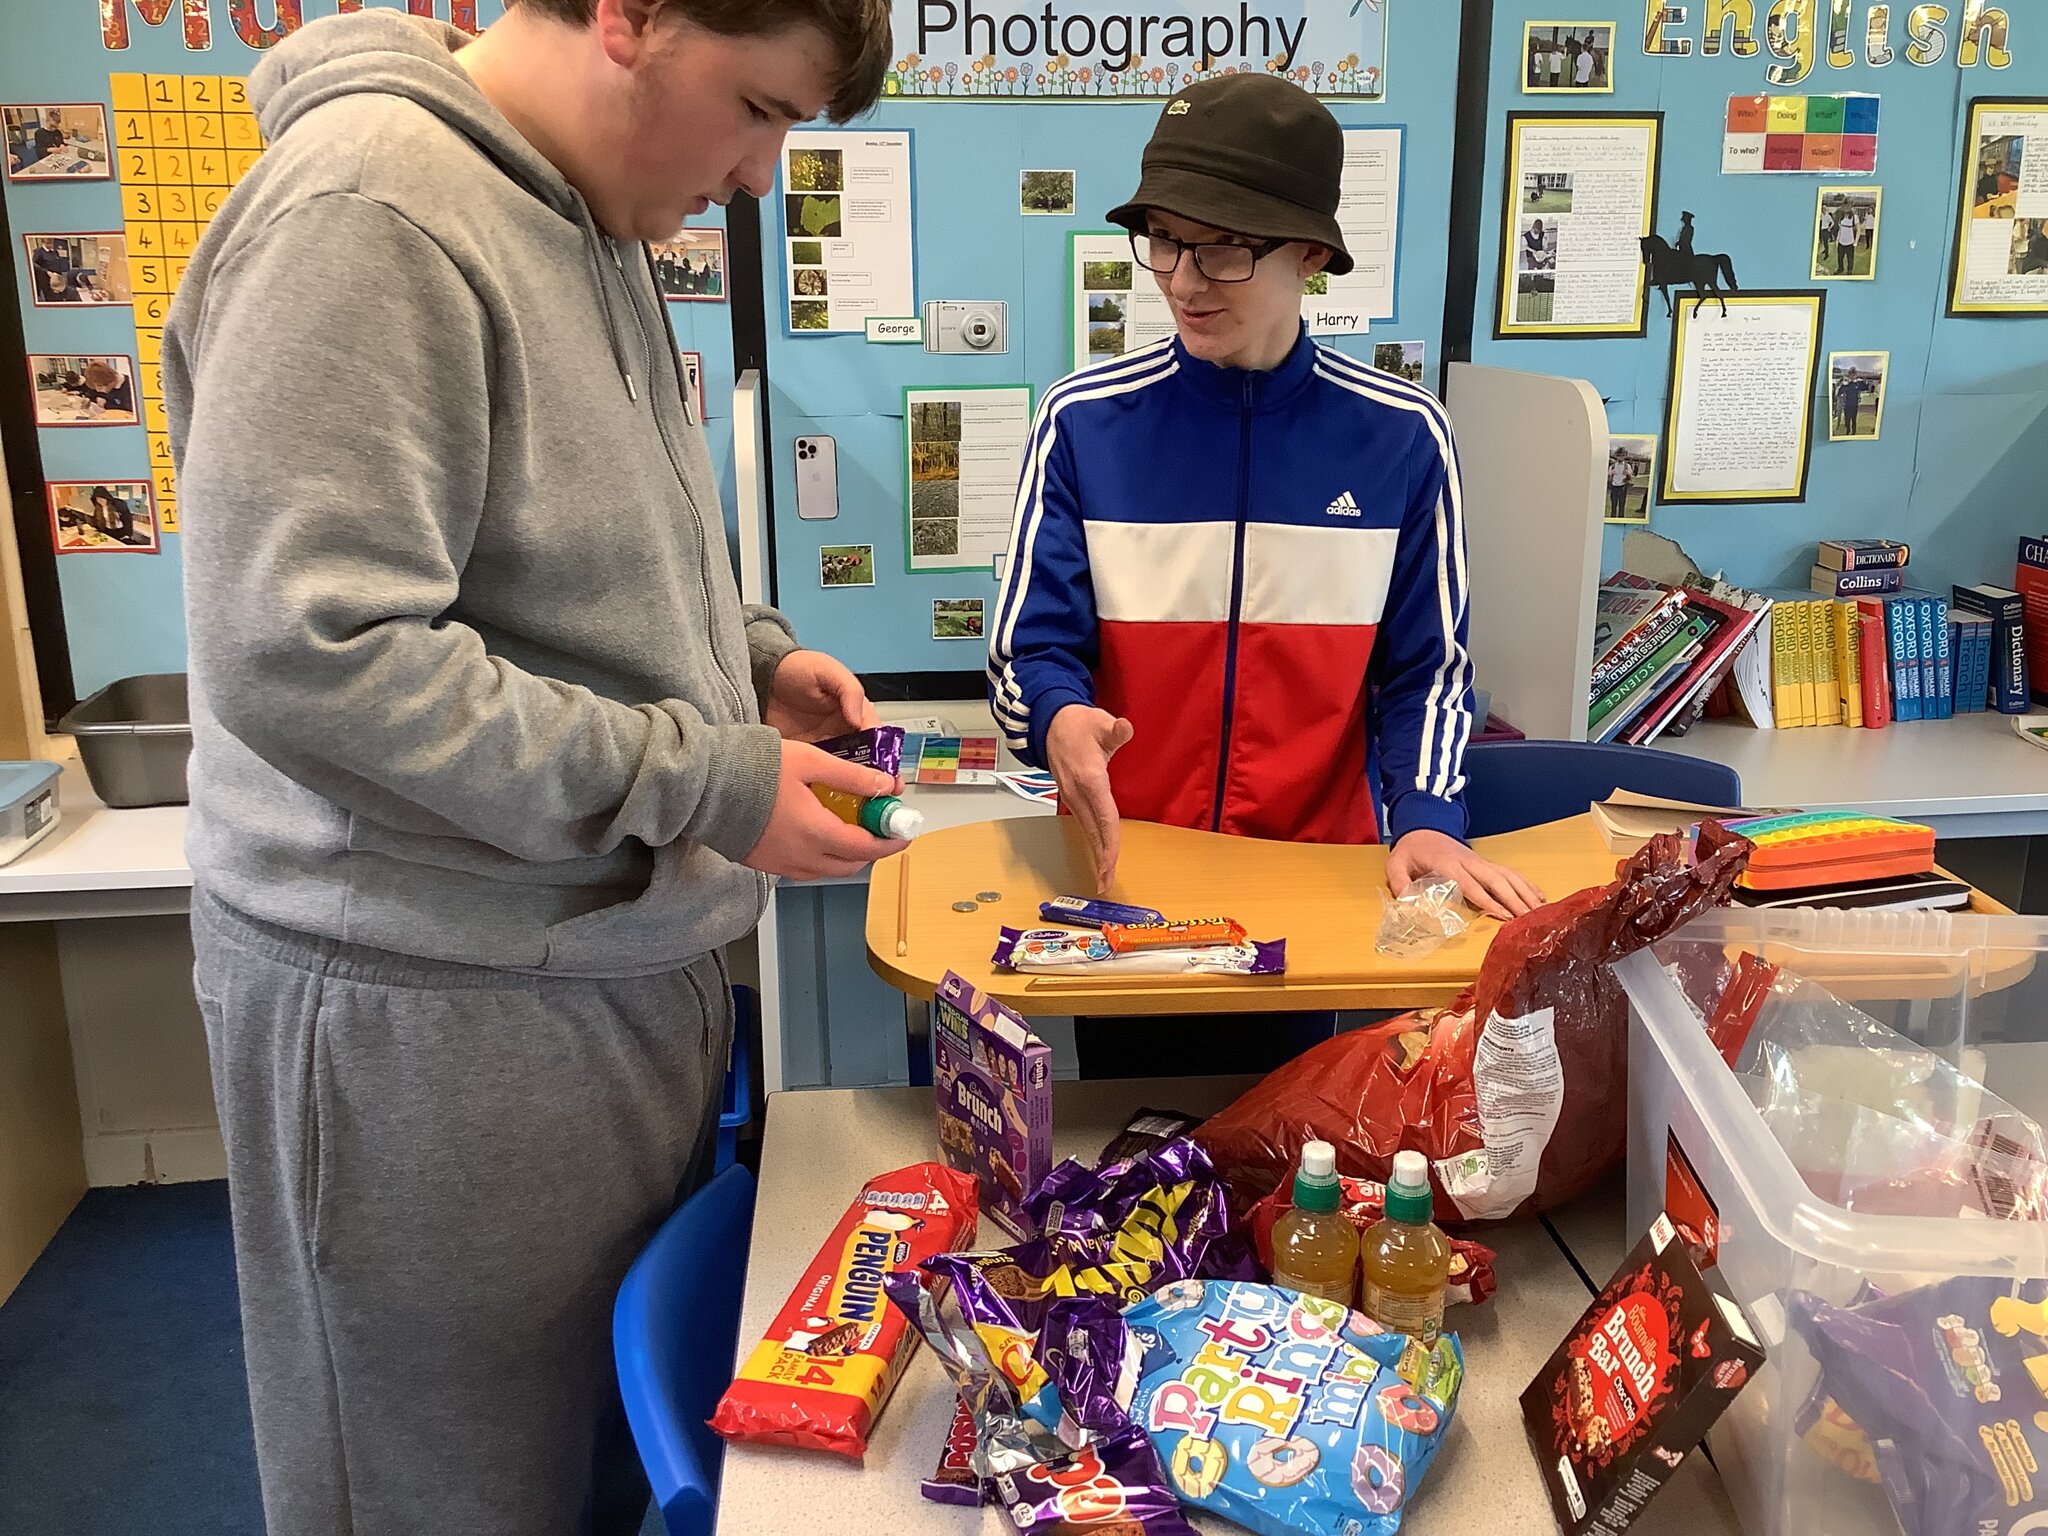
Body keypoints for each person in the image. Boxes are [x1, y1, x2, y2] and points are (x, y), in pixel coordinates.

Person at [161, 2, 895, 1533]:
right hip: (430, 1010)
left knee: (578, 1468)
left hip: (588, 969)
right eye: (757, 109)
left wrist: (749, 661)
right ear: (629, 17)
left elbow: (596, 555)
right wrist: (707, 781)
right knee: (443, 1492)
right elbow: (315, 655)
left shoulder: (598, 217)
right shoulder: (373, 210)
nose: (763, 175)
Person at [990, 76, 1543, 1071]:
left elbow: (1430, 670)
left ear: (1312, 255)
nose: (1182, 280)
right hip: (1130, 883)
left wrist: (1423, 816)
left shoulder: (1402, 440)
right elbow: (1030, 646)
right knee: (1129, 1156)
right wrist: (1056, 718)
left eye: (1222, 249)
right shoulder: (1080, 423)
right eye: (1163, 238)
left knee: (1297, 1167)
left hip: (1316, 885)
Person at [1607, 449, 1633, 520]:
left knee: (1622, 504)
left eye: (1622, 455)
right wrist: (1610, 473)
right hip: (1614, 486)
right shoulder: (1612, 466)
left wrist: (1627, 473)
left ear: (1625, 456)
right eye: (1618, 455)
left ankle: (1621, 518)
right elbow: (1609, 475)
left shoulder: (1627, 466)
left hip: (1623, 487)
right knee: (1613, 504)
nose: (1620, 457)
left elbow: (1630, 476)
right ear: (1616, 456)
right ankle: (1613, 518)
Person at [1835, 205, 1859, 273]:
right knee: (1840, 258)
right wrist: (1837, 240)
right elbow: (1840, 229)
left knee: (1850, 259)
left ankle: (1849, 271)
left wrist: (1856, 242)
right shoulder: (1841, 217)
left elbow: (1858, 230)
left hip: (1850, 243)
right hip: (1841, 242)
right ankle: (1840, 269)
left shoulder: (1854, 217)